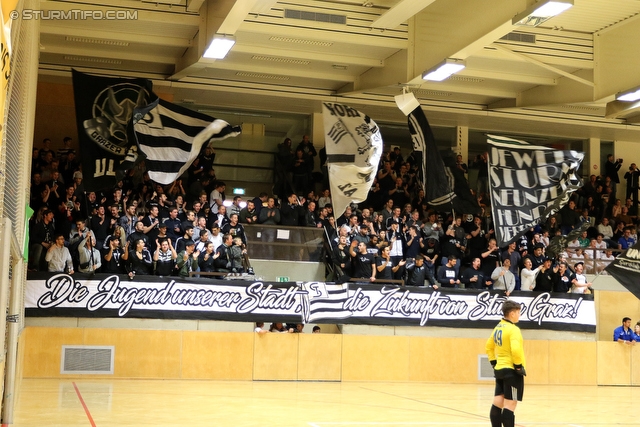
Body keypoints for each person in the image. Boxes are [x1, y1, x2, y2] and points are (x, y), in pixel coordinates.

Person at [486, 300, 526, 427]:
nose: (519, 315)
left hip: (499, 369)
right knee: (510, 405)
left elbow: (488, 347)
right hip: (511, 371)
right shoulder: (513, 329)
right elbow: (516, 349)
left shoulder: (498, 327)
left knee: (498, 402)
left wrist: (493, 362)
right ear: (512, 313)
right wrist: (518, 366)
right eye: (519, 312)